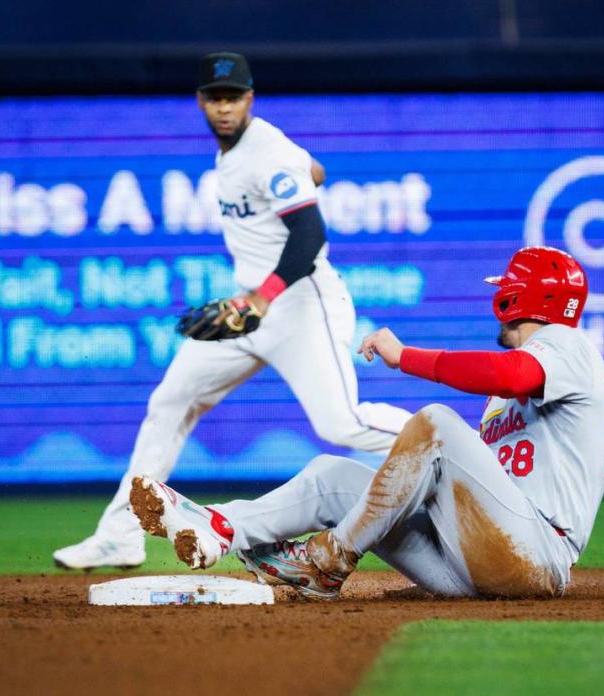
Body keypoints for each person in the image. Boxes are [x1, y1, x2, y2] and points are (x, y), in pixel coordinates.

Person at [54, 52, 412, 570]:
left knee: (342, 424)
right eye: (215, 98)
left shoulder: (264, 150)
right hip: (249, 311)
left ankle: (457, 451)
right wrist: (305, 171)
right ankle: (121, 534)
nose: (224, 108)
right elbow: (315, 170)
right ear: (201, 101)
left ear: (250, 98)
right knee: (171, 401)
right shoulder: (244, 151)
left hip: (300, 304)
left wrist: (259, 299)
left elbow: (310, 234)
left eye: (234, 97)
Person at [129, 246, 604, 599]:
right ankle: (221, 527)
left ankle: (329, 559)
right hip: (476, 557)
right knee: (334, 476)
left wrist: (405, 357)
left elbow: (511, 374)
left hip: (535, 555)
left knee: (437, 424)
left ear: (517, 297)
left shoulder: (569, 347)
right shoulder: (531, 376)